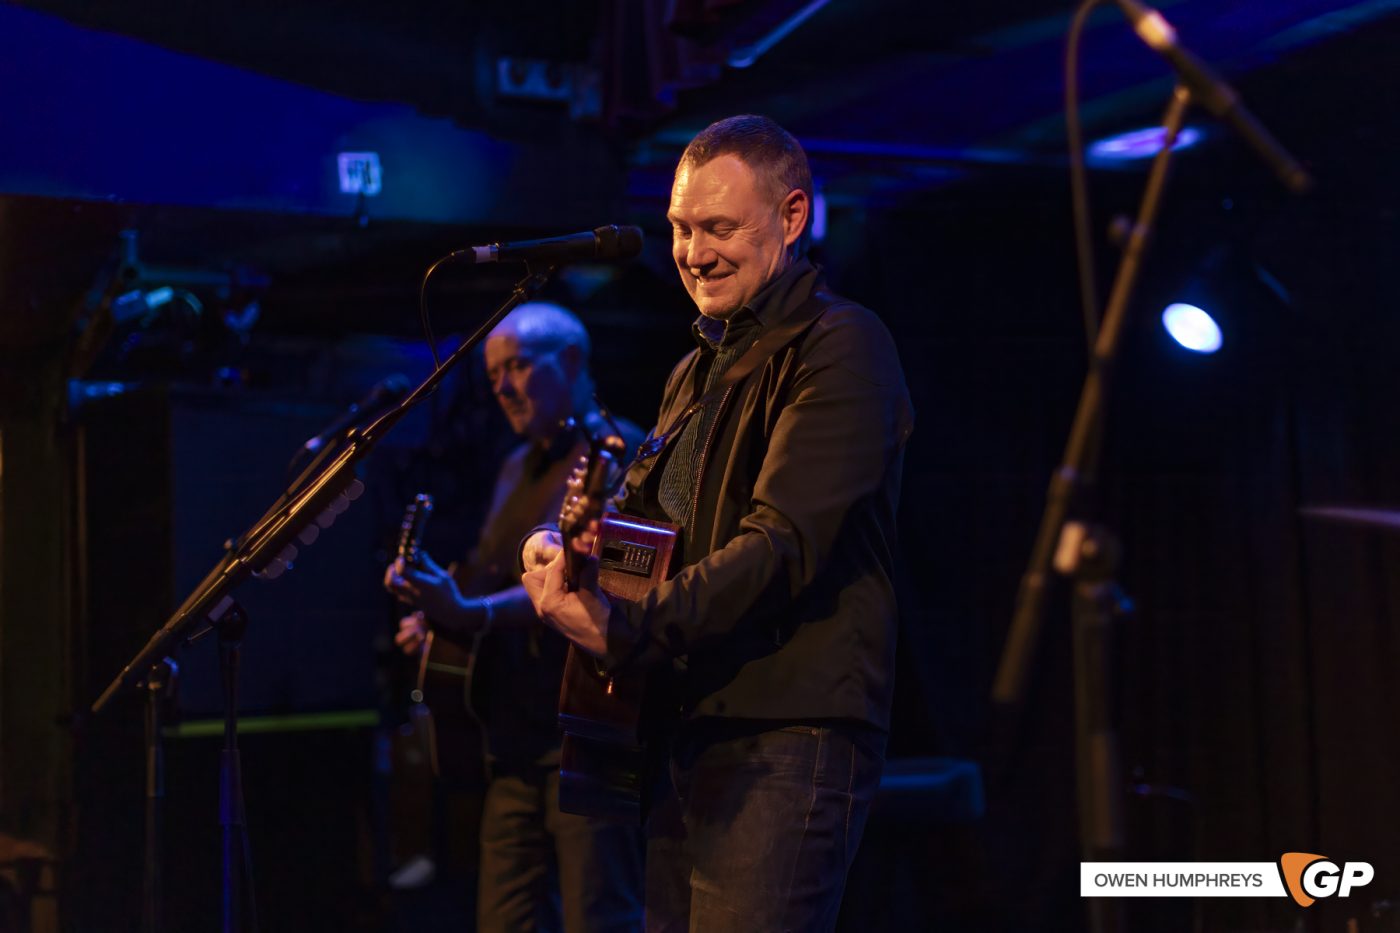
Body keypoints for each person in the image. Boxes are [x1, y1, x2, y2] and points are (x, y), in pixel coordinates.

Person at [521, 115, 915, 931]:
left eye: (719, 228)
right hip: (684, 722)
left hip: (785, 730)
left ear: (793, 217)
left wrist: (624, 627)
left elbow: (780, 544)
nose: (693, 253)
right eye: (680, 228)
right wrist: (573, 554)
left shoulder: (842, 344)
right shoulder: (691, 374)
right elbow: (651, 540)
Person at [384, 301, 645, 933]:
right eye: (494, 374)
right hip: (509, 741)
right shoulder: (512, 465)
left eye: (519, 366)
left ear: (573, 361)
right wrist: (439, 615)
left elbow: (586, 587)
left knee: (599, 917)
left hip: (585, 738)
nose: (502, 388)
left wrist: (469, 612)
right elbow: (492, 576)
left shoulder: (619, 454)